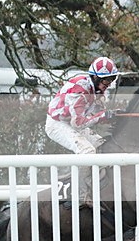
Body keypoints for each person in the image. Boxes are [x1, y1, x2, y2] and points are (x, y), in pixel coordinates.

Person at [45, 56, 120, 203]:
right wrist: (103, 116)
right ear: (95, 77)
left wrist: (114, 116)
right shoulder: (80, 89)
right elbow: (78, 123)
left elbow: (95, 116)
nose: (109, 84)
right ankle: (80, 195)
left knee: (102, 145)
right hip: (57, 124)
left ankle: (95, 182)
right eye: (106, 80)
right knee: (87, 151)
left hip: (71, 122)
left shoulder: (97, 89)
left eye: (112, 79)